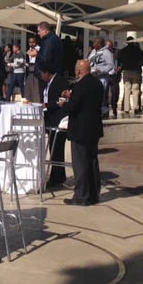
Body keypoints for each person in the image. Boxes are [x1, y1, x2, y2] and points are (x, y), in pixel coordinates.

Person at [59, 59, 104, 205]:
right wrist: (72, 96)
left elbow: (74, 107)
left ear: (78, 71)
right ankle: (94, 194)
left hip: (80, 129)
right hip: (94, 127)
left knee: (80, 163)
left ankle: (81, 196)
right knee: (92, 161)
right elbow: (88, 101)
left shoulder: (80, 85)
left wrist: (64, 103)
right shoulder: (97, 83)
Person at [40, 61, 70, 190]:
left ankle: (56, 177)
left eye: (42, 73)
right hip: (50, 118)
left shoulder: (60, 81)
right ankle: (58, 176)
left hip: (58, 119)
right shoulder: (47, 83)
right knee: (54, 149)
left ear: (47, 73)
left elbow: (61, 101)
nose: (41, 76)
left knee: (57, 148)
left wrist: (47, 105)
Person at [86, 37, 113, 117]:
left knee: (99, 95)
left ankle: (103, 111)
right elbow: (89, 61)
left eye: (95, 42)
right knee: (93, 95)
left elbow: (111, 65)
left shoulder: (107, 53)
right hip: (92, 76)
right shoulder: (93, 51)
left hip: (102, 78)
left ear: (99, 43)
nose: (93, 44)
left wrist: (100, 70)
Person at [117, 36, 143, 115]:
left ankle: (126, 108)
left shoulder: (123, 51)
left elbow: (120, 61)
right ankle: (135, 107)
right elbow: (141, 60)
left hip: (126, 71)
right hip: (136, 71)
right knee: (135, 90)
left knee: (127, 90)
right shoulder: (138, 50)